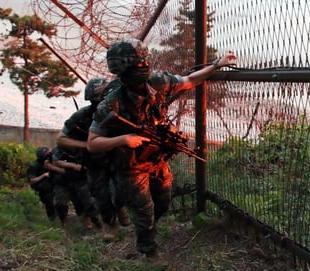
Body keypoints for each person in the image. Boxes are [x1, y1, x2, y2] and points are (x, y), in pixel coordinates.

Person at [87, 38, 237, 266]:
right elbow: (93, 142)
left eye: (144, 61)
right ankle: (149, 251)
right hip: (131, 166)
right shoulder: (111, 103)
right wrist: (123, 139)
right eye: (138, 64)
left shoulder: (157, 83)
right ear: (123, 70)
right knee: (144, 210)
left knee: (163, 202)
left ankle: (135, 217)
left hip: (156, 159)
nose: (144, 66)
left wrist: (217, 64)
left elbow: (189, 81)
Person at [56, 77, 131, 240]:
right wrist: (87, 144)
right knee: (101, 195)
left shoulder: (121, 112)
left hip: (118, 160)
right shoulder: (82, 115)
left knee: (121, 191)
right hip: (94, 163)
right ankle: (110, 225)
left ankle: (120, 208)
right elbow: (61, 139)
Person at [26, 146, 56, 221]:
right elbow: (32, 180)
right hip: (43, 187)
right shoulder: (34, 165)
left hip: (53, 184)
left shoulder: (52, 162)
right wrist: (43, 175)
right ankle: (52, 218)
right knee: (49, 201)